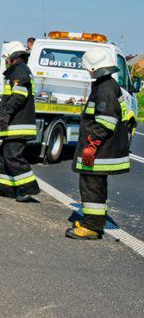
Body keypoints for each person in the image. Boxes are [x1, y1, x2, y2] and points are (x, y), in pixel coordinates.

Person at [65, 48, 130, 240]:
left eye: (89, 69)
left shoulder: (106, 89)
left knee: (92, 186)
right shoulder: (107, 85)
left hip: (99, 151)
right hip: (102, 149)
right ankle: (93, 222)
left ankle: (91, 227)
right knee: (94, 186)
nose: (88, 72)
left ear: (94, 67)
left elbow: (106, 121)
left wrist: (91, 145)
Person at [0, 41, 40, 202]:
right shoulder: (18, 71)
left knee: (13, 157)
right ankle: (7, 189)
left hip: (18, 123)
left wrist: (5, 114)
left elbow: (18, 96)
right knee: (6, 157)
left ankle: (28, 189)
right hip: (13, 124)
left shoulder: (20, 71)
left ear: (11, 57)